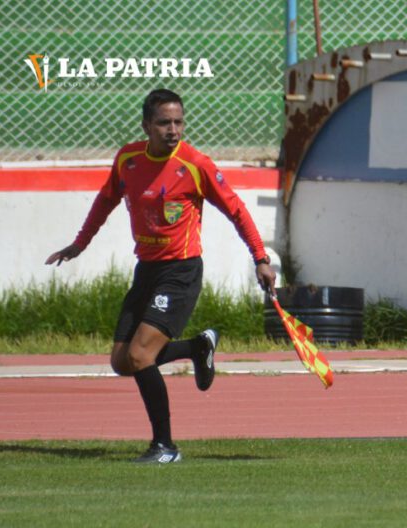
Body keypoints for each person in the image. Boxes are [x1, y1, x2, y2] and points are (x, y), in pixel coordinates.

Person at [46, 89, 276, 464]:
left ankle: (165, 446)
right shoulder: (129, 159)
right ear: (146, 126)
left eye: (179, 122)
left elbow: (236, 209)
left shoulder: (195, 164)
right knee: (122, 361)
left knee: (140, 354)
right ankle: (197, 347)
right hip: (147, 271)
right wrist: (79, 244)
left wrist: (260, 258)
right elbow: (106, 199)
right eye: (164, 122)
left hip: (181, 272)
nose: (173, 130)